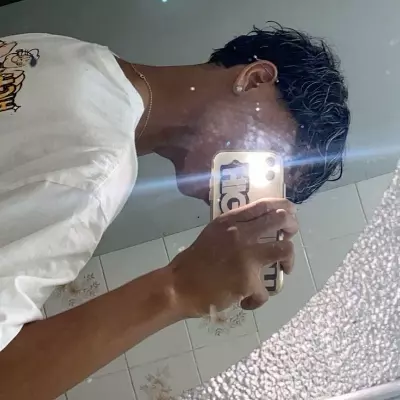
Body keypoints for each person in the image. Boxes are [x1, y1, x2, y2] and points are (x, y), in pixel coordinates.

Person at [0, 24, 350, 399]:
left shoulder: (62, 52)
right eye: (268, 163)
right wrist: (179, 289)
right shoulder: (96, 170)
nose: (247, 194)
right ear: (254, 79)